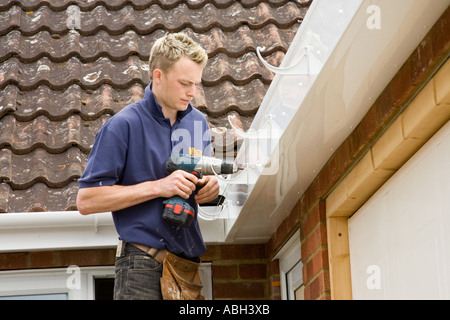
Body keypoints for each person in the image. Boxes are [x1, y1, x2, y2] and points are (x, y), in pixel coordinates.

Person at [76, 33, 220, 300]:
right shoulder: (123, 126)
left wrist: (210, 189)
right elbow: (87, 200)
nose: (192, 92)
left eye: (197, 84)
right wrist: (158, 187)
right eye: (185, 83)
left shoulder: (199, 124)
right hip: (141, 267)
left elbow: (205, 183)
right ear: (158, 76)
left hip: (187, 270)